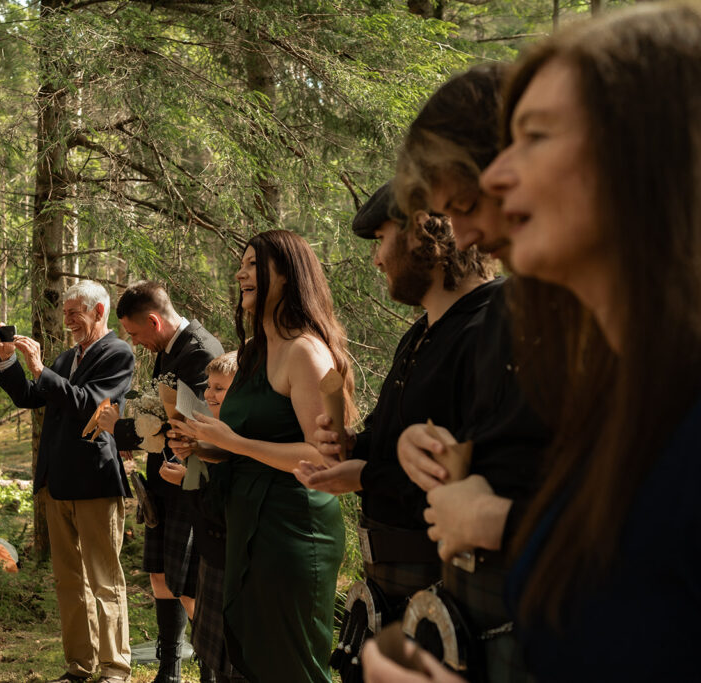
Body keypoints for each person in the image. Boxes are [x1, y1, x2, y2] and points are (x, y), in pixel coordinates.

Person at [363, 3, 701, 680]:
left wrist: (495, 521)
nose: (495, 178)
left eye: (536, 136)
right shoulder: (631, 380)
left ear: (647, 150)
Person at [382, 64, 551, 682]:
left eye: (467, 203)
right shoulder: (508, 309)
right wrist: (417, 447)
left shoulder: (632, 310)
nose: (466, 233)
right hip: (478, 622)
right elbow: (498, 444)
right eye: (447, 214)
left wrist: (496, 522)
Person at [292, 183, 495, 674]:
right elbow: (389, 444)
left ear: (423, 233)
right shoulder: (420, 332)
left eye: (381, 239)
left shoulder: (492, 326)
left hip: (454, 594)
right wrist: (349, 446)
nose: (377, 260)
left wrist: (364, 476)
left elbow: (479, 473)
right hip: (392, 588)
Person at [171, 229, 355, 683]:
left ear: (287, 277)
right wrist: (204, 445)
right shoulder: (253, 353)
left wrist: (232, 443)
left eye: (253, 264)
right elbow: (248, 444)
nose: (240, 273)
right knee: (252, 658)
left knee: (291, 663)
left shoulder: (305, 352)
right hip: (245, 522)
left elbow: (323, 457)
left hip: (293, 529)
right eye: (242, 264)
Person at [0, 280, 135, 683]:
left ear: (99, 311)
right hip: (56, 484)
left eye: (75, 313)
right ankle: (79, 666)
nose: (68, 320)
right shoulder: (67, 355)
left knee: (104, 580)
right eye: (66, 312)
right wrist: (9, 362)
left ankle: (115, 668)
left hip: (95, 482)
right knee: (69, 581)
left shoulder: (118, 353)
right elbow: (32, 397)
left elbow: (89, 404)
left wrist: (40, 368)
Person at [97, 281, 223, 683]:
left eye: (135, 334)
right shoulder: (169, 347)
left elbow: (191, 424)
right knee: (161, 576)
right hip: (163, 481)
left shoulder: (199, 350)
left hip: (191, 481)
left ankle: (211, 668)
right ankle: (168, 671)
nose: (135, 342)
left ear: (153, 320)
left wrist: (123, 429)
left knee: (188, 585)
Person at [168, 352, 246, 683]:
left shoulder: (240, 435)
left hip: (232, 559)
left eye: (220, 388)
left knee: (232, 660)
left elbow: (218, 506)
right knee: (211, 655)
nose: (210, 395)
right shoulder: (212, 432)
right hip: (211, 555)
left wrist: (186, 482)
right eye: (209, 387)